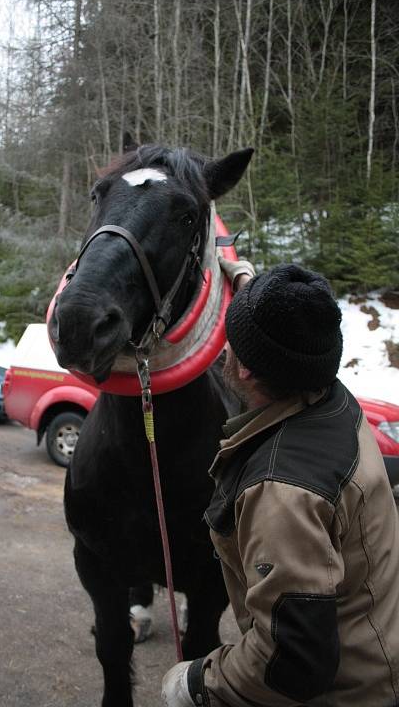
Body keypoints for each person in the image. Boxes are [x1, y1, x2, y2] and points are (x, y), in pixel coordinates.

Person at [162, 260, 399, 707]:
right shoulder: (331, 399)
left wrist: (197, 682)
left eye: (231, 344)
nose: (224, 352)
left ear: (247, 370)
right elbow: (291, 335)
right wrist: (246, 280)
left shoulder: (282, 492)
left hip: (349, 694)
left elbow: (292, 661)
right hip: (378, 649)